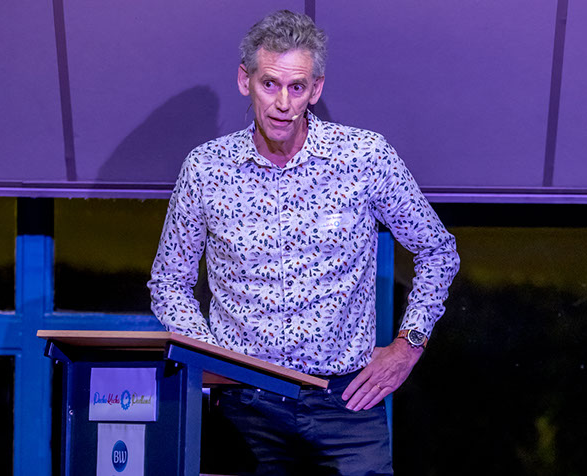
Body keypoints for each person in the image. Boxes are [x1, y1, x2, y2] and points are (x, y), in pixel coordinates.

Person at [148, 9, 459, 475]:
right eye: (269, 84)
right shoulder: (206, 169)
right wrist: (213, 361)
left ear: (316, 89)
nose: (282, 103)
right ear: (245, 80)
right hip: (243, 407)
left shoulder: (364, 158)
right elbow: (169, 283)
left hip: (347, 405)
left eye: (296, 87)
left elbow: (437, 250)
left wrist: (408, 345)